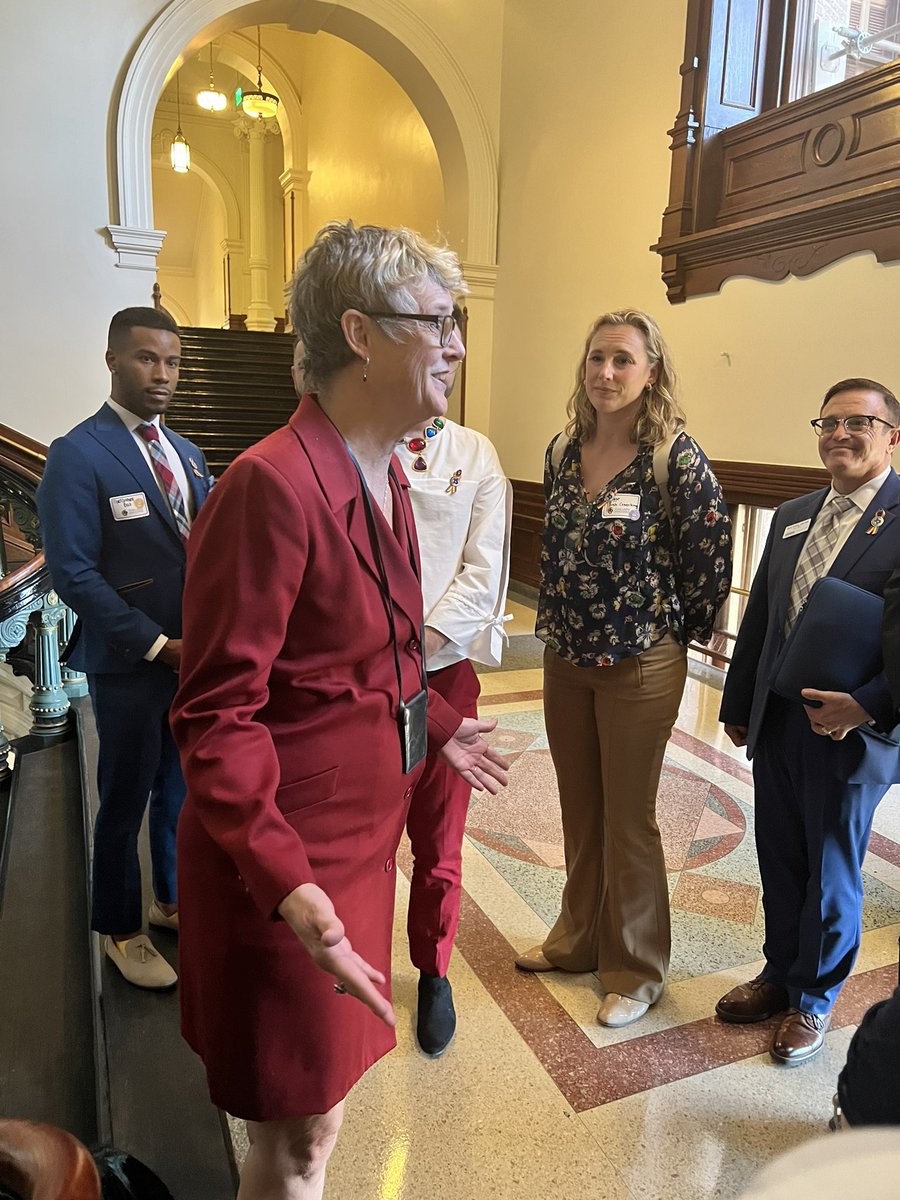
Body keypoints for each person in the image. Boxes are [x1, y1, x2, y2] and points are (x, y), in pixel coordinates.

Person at [170, 221, 509, 1200]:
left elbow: (370, 659)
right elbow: (215, 715)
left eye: (458, 322)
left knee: (323, 1110)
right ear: (359, 333)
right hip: (286, 865)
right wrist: (288, 884)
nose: (455, 342)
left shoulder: (385, 473)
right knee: (301, 1132)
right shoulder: (270, 486)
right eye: (435, 321)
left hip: (357, 851)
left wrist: (440, 729)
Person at [293, 336, 513, 1057]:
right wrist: (381, 652)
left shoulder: (475, 455)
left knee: (440, 842)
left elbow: (483, 575)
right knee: (364, 833)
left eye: (452, 342)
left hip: (443, 673)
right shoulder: (346, 451)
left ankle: (434, 968)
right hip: (360, 682)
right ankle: (351, 965)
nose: (443, 356)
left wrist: (406, 646)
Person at [515, 308, 732, 1027]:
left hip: (642, 658)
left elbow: (708, 564)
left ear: (652, 371)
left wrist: (682, 636)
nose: (606, 374)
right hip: (566, 653)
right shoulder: (561, 449)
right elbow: (555, 550)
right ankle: (577, 940)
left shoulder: (675, 457)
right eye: (596, 359)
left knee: (630, 817)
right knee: (579, 804)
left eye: (623, 361)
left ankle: (636, 969)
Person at [716, 378, 900, 1066]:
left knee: (831, 867)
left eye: (859, 422)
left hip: (851, 730)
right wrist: (740, 706)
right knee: (781, 856)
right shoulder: (794, 513)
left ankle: (814, 1000)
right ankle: (777, 974)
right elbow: (761, 617)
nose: (840, 434)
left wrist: (868, 705)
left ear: (891, 436)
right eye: (828, 422)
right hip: (783, 723)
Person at [37, 307, 212, 990]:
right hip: (132, 663)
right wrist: (157, 645)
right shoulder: (77, 453)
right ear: (112, 360)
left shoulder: (188, 454)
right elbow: (73, 572)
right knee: (125, 797)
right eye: (146, 359)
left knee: (179, 788)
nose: (161, 374)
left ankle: (169, 901)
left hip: (192, 658)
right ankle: (121, 928)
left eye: (170, 361)